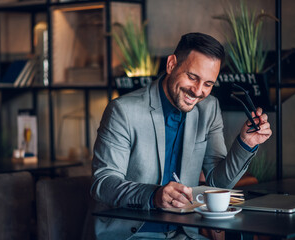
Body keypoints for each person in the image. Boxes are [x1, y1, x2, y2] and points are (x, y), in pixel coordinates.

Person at [90, 32, 272, 240]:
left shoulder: (209, 108)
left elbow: (216, 184)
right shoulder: (122, 111)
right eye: (192, 77)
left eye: (208, 84)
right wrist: (154, 195)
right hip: (133, 233)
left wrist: (245, 144)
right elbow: (103, 183)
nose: (198, 91)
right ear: (171, 64)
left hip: (184, 233)